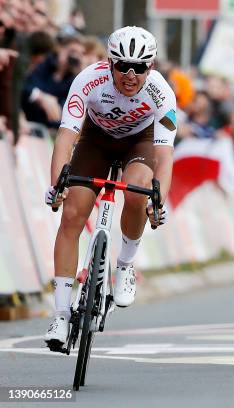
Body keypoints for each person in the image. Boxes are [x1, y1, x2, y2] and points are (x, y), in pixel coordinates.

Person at [43, 26, 177, 350]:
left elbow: (164, 155)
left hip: (140, 142)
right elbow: (65, 136)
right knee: (73, 213)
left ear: (152, 67)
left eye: (140, 67)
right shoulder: (88, 80)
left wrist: (159, 201)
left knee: (137, 191)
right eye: (122, 66)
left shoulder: (162, 93)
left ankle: (126, 265)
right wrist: (56, 184)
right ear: (109, 63)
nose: (131, 75)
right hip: (96, 140)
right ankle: (61, 313)